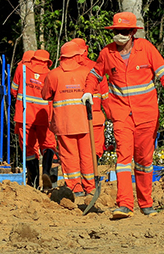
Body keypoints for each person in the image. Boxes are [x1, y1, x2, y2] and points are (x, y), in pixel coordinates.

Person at [85, 12, 164, 219]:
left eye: (124, 31)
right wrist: (87, 91)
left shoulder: (146, 49)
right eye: (117, 31)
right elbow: (94, 74)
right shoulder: (107, 53)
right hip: (121, 115)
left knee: (144, 161)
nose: (120, 35)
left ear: (132, 33)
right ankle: (125, 205)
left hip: (146, 115)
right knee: (123, 159)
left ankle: (146, 204)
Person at [43, 41, 95, 196]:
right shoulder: (86, 72)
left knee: (69, 155)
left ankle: (75, 188)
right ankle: (90, 187)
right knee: (86, 155)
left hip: (64, 123)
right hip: (84, 121)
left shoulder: (53, 74)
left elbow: (45, 95)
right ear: (76, 55)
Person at [11, 49, 55, 186]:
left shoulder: (21, 68)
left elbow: (13, 90)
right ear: (47, 62)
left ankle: (34, 181)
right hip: (44, 115)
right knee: (48, 144)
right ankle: (47, 172)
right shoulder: (50, 73)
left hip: (25, 115)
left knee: (28, 147)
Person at [71, 38, 107, 156]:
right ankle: (93, 173)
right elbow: (105, 94)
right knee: (95, 149)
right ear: (85, 50)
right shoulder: (96, 67)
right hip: (95, 115)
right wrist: (110, 114)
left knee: (76, 152)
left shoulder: (65, 70)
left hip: (74, 118)